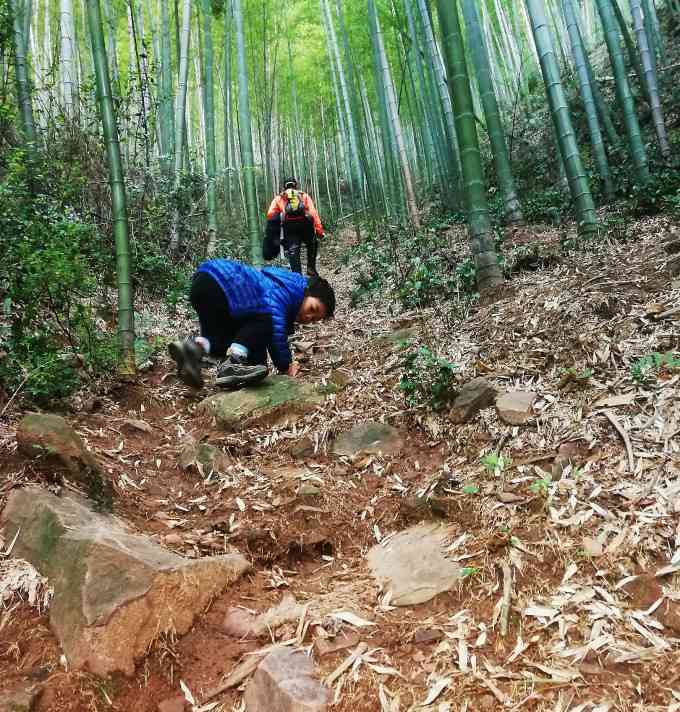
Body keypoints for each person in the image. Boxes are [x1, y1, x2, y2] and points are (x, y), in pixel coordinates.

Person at [168, 258, 335, 389]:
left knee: (223, 342)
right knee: (266, 320)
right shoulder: (284, 289)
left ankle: (194, 350)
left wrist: (258, 367)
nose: (308, 317)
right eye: (312, 308)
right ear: (306, 291)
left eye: (313, 319)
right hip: (221, 282)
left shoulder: (271, 286)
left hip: (204, 284)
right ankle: (233, 362)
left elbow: (256, 339)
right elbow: (275, 331)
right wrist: (285, 366)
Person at [265, 177, 324, 276]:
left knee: (293, 250)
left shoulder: (279, 198)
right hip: (305, 226)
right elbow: (313, 213)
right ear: (296, 185)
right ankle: (311, 268)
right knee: (312, 243)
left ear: (284, 187)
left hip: (289, 227)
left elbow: (270, 214)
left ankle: (297, 276)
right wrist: (319, 230)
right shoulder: (303, 195)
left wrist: (281, 216)